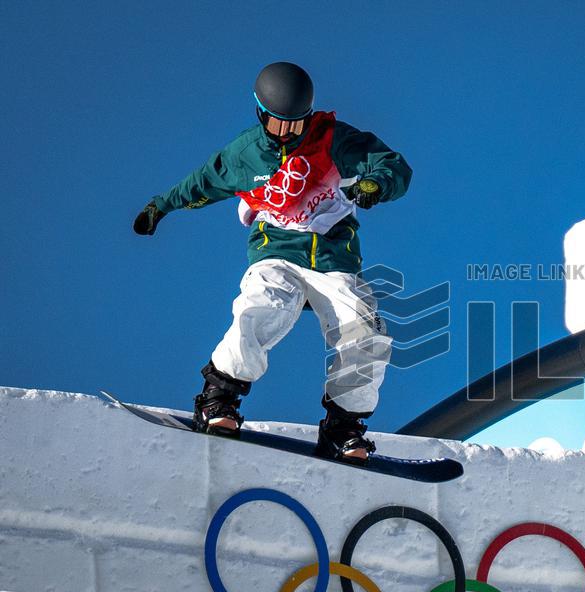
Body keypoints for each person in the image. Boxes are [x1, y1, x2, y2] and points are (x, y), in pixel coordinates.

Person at [132, 61, 411, 461]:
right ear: (261, 113)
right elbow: (202, 182)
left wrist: (376, 183)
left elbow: (393, 165)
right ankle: (219, 397)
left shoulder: (334, 139)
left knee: (365, 332)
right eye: (278, 124)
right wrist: (160, 207)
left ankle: (342, 428)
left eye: (296, 124)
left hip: (334, 257)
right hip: (276, 250)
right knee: (265, 307)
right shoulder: (245, 154)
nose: (287, 133)